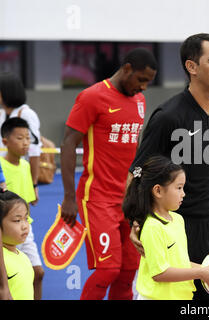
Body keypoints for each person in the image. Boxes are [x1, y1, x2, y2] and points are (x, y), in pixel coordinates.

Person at [127, 33, 209, 300]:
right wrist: (135, 222)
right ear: (192, 67)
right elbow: (137, 172)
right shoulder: (169, 116)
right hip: (175, 230)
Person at [60, 47, 157, 300]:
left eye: (148, 82)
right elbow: (68, 143)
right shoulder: (91, 96)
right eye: (141, 80)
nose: (144, 87)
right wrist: (69, 197)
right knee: (108, 269)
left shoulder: (139, 101)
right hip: (97, 198)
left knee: (129, 271)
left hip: (127, 199)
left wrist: (137, 190)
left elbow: (133, 149)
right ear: (126, 69)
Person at [123, 156, 209, 300]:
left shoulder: (178, 219)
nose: (183, 194)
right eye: (179, 188)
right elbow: (160, 274)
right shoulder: (152, 227)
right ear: (158, 191)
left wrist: (207, 269)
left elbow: (180, 263)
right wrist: (201, 273)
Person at [0, 117, 44, 300]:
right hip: (8, 225)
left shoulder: (26, 165)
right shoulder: (2, 165)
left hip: (20, 227)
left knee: (36, 272)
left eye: (28, 138)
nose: (26, 143)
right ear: (5, 141)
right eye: (20, 138)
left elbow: (27, 201)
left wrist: (24, 221)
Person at [0, 72, 41, 205]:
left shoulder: (27, 114)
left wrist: (34, 185)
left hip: (17, 173)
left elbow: (34, 151)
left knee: (18, 215)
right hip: (2, 172)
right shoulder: (1, 114)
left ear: (6, 92)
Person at [1, 189, 34, 300]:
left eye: (26, 218)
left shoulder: (24, 257)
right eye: (17, 220)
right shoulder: (3, 260)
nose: (25, 225)